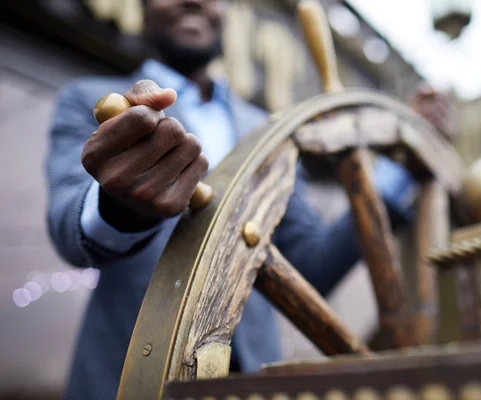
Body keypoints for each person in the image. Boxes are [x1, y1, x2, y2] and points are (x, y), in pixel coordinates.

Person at [45, 1, 455, 399]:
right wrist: (122, 208)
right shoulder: (89, 100)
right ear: (143, 6)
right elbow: (69, 224)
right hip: (128, 379)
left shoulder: (265, 129)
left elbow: (310, 266)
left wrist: (398, 173)